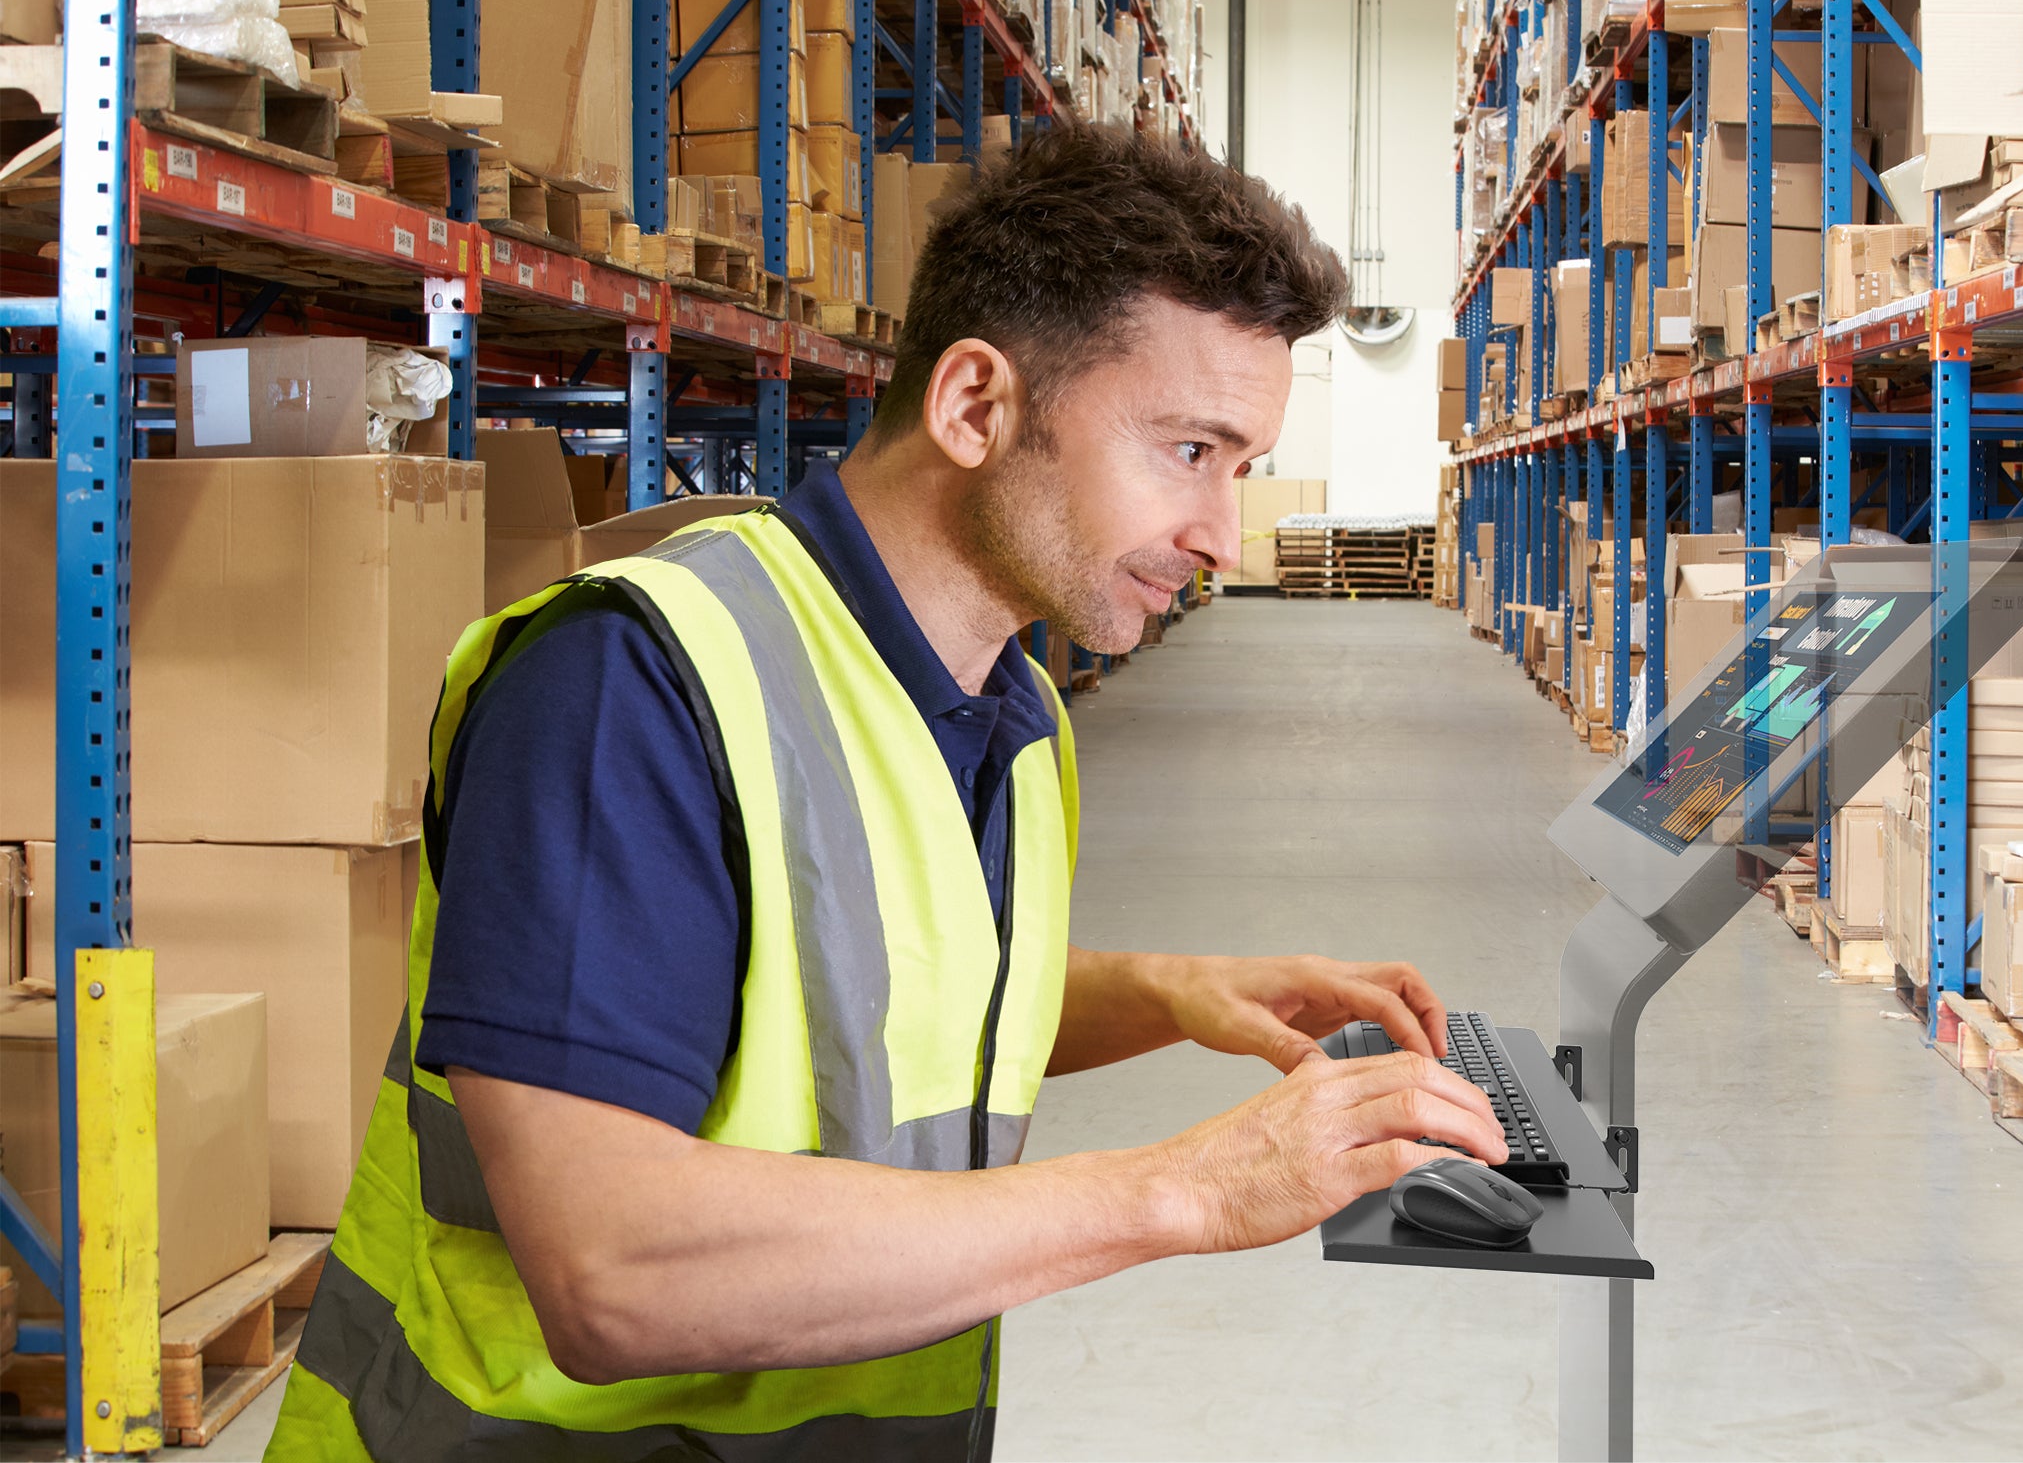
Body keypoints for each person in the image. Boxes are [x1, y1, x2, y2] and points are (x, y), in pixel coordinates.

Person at [267, 125, 1505, 1461]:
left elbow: (874, 1008)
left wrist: (1166, 994)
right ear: (975, 406)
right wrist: (1187, 1190)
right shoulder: (628, 688)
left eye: (1242, 467)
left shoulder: (1011, 709)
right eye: (1188, 450)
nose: (1220, 532)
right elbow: (609, 1269)